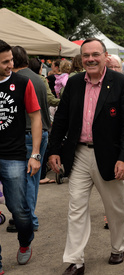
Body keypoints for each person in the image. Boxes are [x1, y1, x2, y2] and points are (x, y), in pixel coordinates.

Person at [48, 37, 124, 275]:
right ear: (81, 58)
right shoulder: (75, 84)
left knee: (115, 206)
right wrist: (54, 149)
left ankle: (118, 246)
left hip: (109, 156)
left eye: (95, 54)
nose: (90, 59)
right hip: (78, 155)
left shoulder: (121, 83)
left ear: (105, 56)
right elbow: (61, 120)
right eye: (86, 55)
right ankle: (75, 260)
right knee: (76, 207)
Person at [0, 39, 42, 265]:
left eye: (11, 60)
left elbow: (36, 116)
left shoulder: (23, 83)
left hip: (14, 156)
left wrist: (35, 154)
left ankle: (25, 241)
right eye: (5, 61)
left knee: (20, 210)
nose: (11, 64)